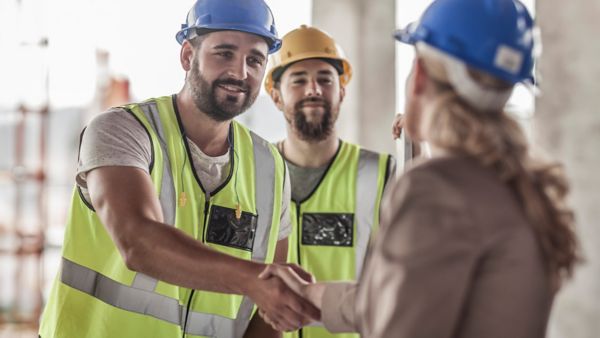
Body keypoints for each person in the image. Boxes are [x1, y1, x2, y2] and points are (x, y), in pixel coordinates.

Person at [259, 0, 580, 337]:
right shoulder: (518, 182)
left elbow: (399, 325)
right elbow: (414, 299)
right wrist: (313, 295)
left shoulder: (435, 188)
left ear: (421, 76)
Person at [38, 0, 320, 337]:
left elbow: (268, 308)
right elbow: (137, 241)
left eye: (254, 60)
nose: (240, 72)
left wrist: (275, 292)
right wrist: (253, 281)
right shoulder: (122, 130)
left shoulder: (269, 166)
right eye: (224, 53)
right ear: (188, 56)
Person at [263, 25, 395, 338]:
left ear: (342, 92)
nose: (314, 89)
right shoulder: (253, 170)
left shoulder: (383, 174)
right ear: (276, 96)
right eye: (299, 80)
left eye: (325, 79)